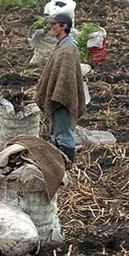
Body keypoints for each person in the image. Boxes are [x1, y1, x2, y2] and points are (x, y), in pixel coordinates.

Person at [35, 13, 86, 162]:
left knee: (63, 134)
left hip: (62, 98)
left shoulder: (67, 50)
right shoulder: (62, 46)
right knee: (57, 132)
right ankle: (60, 162)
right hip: (57, 95)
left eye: (54, 24)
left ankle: (68, 164)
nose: (51, 27)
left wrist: (60, 95)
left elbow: (66, 79)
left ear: (64, 26)